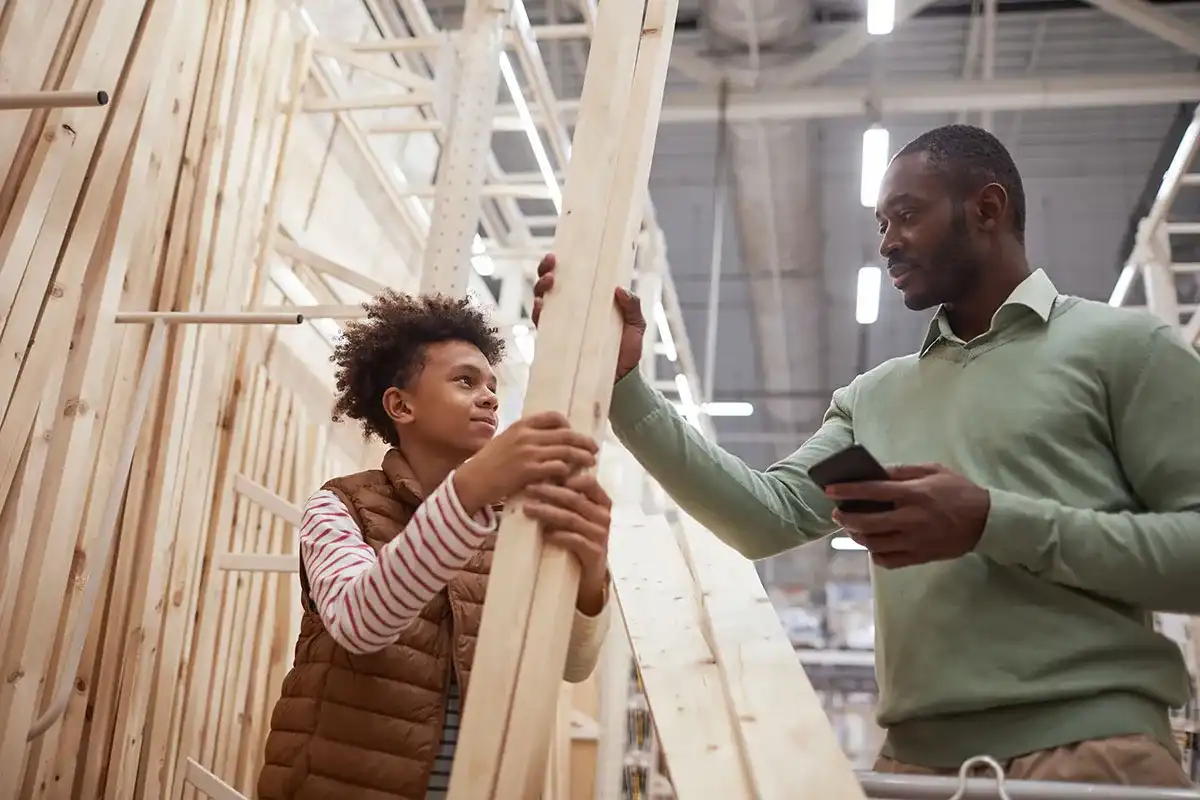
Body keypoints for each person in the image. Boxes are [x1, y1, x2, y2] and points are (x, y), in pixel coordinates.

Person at [531, 124, 1200, 787]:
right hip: (913, 768)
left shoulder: (1124, 350)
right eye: (881, 223)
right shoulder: (875, 397)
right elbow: (762, 517)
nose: (887, 243)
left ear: (987, 209)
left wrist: (991, 521)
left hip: (1091, 757)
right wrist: (624, 387)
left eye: (906, 216)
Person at [258, 292, 614, 800]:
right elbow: (360, 623)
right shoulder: (340, 506)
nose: (490, 397)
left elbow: (572, 666)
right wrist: (471, 490)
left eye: (492, 385)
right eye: (466, 381)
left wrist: (593, 572)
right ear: (401, 404)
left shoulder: (510, 525)